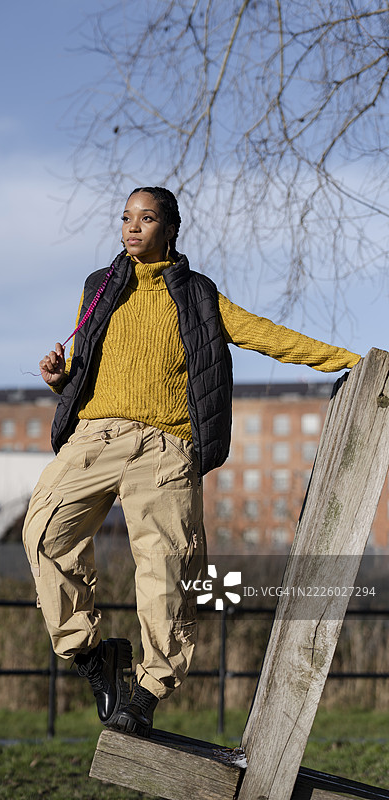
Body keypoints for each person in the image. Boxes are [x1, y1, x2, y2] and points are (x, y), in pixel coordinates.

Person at [22, 186, 360, 738]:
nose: (132, 227)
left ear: (170, 228)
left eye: (145, 217)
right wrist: (60, 377)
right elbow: (87, 364)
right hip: (94, 436)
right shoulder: (99, 286)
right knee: (43, 535)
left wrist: (354, 362)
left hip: (165, 448)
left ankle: (147, 693)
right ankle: (91, 655)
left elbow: (268, 337)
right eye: (126, 217)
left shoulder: (200, 295)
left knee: (167, 575)